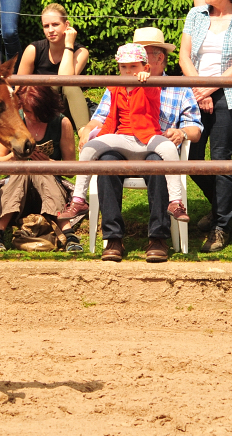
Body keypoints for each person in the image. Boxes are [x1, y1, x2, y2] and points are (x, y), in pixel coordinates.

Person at [75, 28, 203, 262]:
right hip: (121, 144)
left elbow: (195, 129)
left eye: (142, 56)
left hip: (155, 147)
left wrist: (181, 132)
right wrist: (87, 130)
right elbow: (100, 117)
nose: (134, 62)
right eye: (129, 61)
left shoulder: (179, 87)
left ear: (158, 59)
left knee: (157, 164)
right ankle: (112, 238)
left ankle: (158, 237)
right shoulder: (119, 82)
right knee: (106, 163)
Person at [59, 43, 189, 224]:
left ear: (146, 67)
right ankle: (78, 200)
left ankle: (175, 202)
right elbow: (111, 117)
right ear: (119, 68)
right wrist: (95, 133)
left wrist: (146, 79)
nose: (129, 71)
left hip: (146, 137)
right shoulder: (116, 87)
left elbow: (152, 93)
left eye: (134, 66)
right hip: (122, 138)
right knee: (89, 148)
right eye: (124, 67)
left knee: (168, 148)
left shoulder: (151, 84)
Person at [0, 85, 80, 252]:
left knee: (39, 170)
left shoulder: (62, 122)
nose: (32, 117)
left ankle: (68, 233)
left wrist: (49, 163)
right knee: (24, 169)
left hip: (49, 189)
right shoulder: (13, 121)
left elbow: (70, 170)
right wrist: (14, 158)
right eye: (27, 112)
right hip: (16, 191)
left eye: (36, 113)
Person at [180, 0, 232, 252]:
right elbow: (184, 56)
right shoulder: (196, 14)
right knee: (192, 158)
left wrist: (210, 87)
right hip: (196, 90)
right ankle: (222, 208)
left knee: (221, 159)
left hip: (228, 95)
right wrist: (200, 88)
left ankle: (221, 226)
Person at [17, 3, 89, 132]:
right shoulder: (33, 50)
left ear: (66, 25)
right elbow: (19, 87)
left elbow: (65, 79)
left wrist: (69, 45)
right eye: (46, 26)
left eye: (55, 24)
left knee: (70, 85)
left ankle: (84, 133)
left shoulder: (80, 52)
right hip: (38, 106)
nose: (50, 30)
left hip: (66, 107)